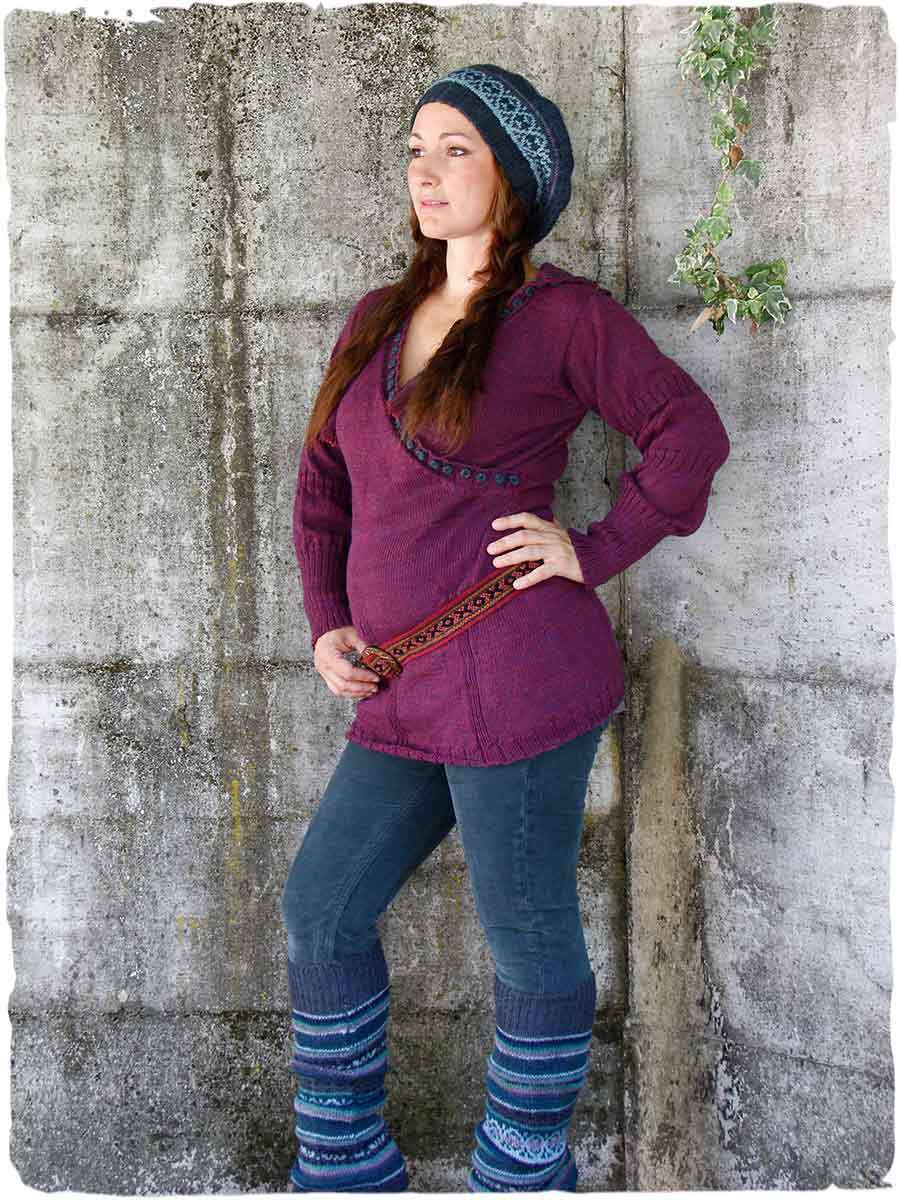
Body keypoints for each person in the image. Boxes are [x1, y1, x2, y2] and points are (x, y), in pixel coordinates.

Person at [281, 64, 730, 1193]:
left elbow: (689, 433)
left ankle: (521, 1174)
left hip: (520, 682)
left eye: (457, 151)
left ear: (514, 179)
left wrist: (595, 546)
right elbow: (324, 484)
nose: (425, 173)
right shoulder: (376, 319)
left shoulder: (564, 318)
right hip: (399, 689)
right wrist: (329, 621)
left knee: (526, 937)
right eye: (416, 149)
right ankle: (345, 1167)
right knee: (321, 907)